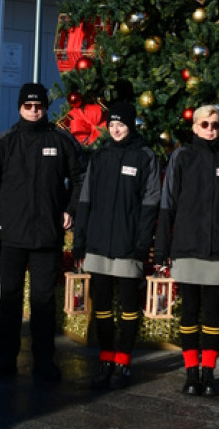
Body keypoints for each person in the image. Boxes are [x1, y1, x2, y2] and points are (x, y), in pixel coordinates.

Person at [0, 82, 87, 381]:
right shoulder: (3, 143)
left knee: (42, 301)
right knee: (9, 298)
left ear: (46, 108)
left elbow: (81, 178)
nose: (34, 111)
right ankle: (5, 358)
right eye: (29, 106)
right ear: (20, 108)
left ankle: (44, 360)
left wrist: (71, 210)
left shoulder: (61, 140)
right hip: (10, 236)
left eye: (39, 106)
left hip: (47, 237)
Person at [153, 103, 219, 397]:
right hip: (187, 247)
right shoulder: (181, 157)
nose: (210, 130)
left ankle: (209, 374)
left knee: (212, 313)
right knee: (190, 312)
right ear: (194, 127)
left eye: (215, 125)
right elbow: (167, 205)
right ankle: (190, 373)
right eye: (204, 124)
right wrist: (161, 250)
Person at [71, 101, 161, 390]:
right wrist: (80, 239)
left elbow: (151, 203)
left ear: (131, 125)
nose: (116, 130)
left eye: (121, 125)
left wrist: (142, 242)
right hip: (97, 244)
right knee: (103, 306)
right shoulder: (100, 155)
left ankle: (123, 361)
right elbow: (85, 200)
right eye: (112, 126)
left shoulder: (145, 156)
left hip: (127, 245)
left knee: (128, 307)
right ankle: (106, 359)